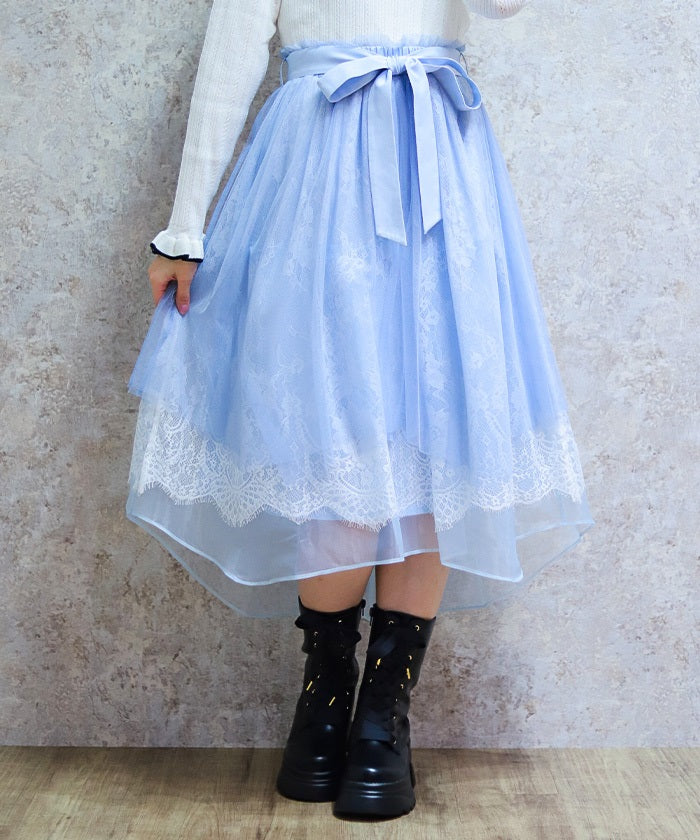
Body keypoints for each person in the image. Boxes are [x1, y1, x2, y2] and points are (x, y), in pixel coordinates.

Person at [126, 0, 594, 821]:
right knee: (330, 431)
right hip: (318, 168)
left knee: (438, 429)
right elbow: (232, 51)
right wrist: (184, 229)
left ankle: (384, 713)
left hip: (439, 160)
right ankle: (324, 696)